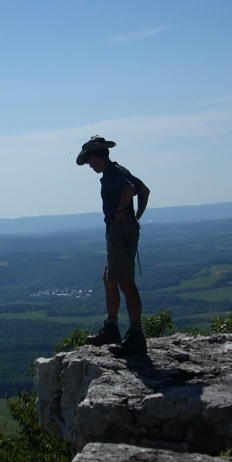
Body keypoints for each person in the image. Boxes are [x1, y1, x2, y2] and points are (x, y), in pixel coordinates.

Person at [76, 135, 150, 355]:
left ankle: (136, 335)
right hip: (121, 230)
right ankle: (112, 328)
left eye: (89, 160)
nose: (89, 165)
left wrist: (119, 212)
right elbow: (144, 190)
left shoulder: (112, 174)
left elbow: (131, 190)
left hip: (119, 231)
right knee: (110, 279)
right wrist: (136, 215)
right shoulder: (120, 170)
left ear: (96, 156)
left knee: (125, 281)